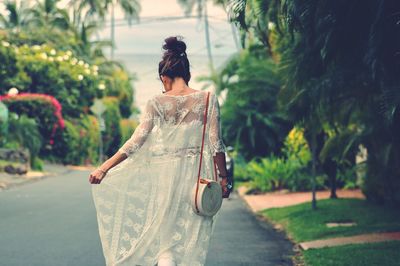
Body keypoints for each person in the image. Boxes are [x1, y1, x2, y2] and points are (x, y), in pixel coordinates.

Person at [89, 35, 231, 266]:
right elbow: (217, 144)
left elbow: (136, 141)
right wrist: (224, 179)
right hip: (197, 179)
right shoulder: (207, 99)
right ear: (186, 73)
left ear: (164, 77)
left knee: (166, 245)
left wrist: (104, 167)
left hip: (165, 177)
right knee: (189, 240)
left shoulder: (156, 102)